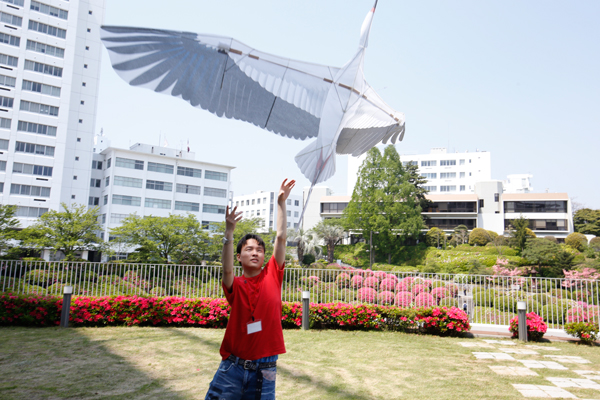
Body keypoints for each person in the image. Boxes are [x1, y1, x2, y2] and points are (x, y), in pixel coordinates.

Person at [205, 179, 296, 400]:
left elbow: (281, 238)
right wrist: (229, 232)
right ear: (239, 256)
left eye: (259, 250)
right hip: (232, 367)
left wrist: (281, 202)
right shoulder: (235, 284)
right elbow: (226, 271)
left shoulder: (273, 273)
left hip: (265, 370)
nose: (255, 253)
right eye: (249, 249)